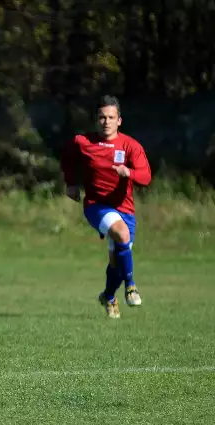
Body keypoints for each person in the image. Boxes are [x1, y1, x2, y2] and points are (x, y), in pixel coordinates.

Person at [61, 95, 151, 319]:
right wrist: (70, 183)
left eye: (111, 117)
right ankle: (131, 287)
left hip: (125, 208)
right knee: (121, 234)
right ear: (96, 119)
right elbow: (67, 158)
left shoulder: (131, 146)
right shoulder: (83, 142)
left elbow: (146, 176)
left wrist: (128, 172)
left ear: (119, 120)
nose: (106, 121)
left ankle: (109, 296)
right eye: (102, 117)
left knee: (118, 260)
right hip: (96, 205)